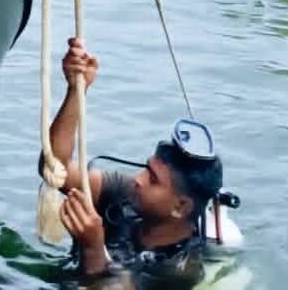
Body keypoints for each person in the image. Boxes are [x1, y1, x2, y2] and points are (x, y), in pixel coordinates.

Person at [47, 38, 224, 288]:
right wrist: (77, 90)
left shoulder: (180, 270)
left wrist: (92, 247)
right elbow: (55, 169)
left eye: (153, 179)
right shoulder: (125, 193)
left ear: (180, 206)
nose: (138, 179)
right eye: (146, 169)